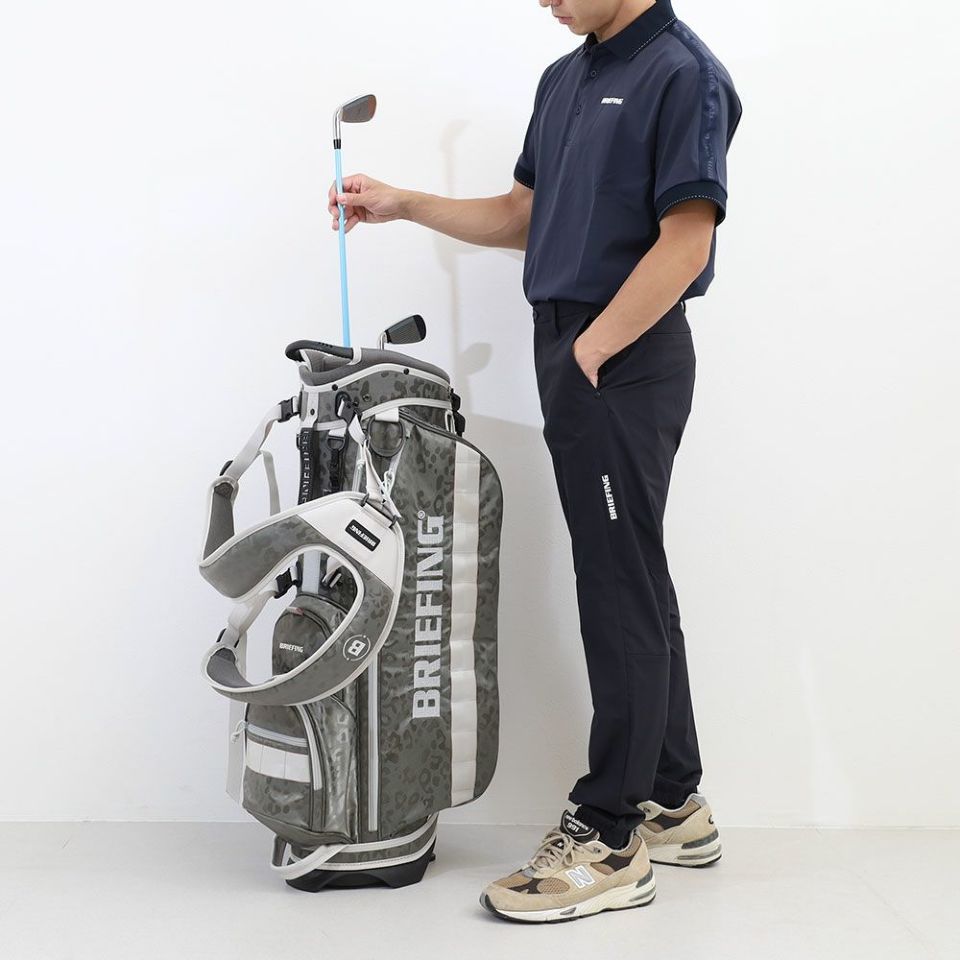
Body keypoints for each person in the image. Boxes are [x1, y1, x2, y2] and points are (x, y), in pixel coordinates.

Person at [327, 0, 742, 925]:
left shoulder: (684, 73)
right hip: (576, 348)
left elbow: (688, 239)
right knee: (630, 571)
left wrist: (594, 349)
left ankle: (610, 835)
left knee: (616, 583)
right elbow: (523, 213)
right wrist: (403, 203)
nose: (542, 0)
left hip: (621, 354)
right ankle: (672, 799)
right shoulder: (566, 78)